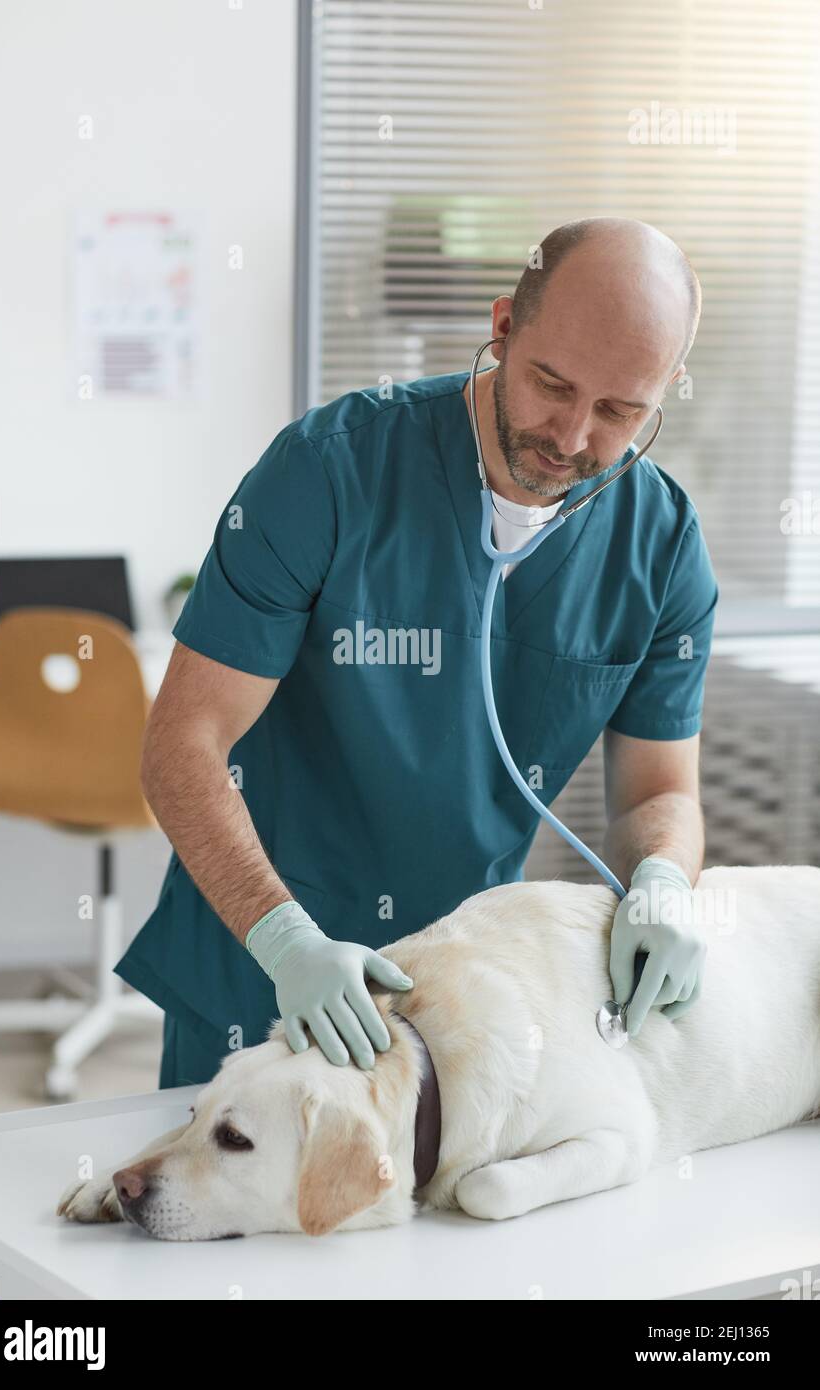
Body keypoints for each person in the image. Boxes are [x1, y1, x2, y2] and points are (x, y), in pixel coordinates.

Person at [115, 216, 718, 1087]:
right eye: (552, 383)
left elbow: (659, 791)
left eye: (622, 410)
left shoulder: (659, 545)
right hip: (261, 966)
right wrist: (287, 943)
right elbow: (182, 745)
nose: (574, 434)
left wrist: (663, 880)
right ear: (504, 325)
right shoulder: (327, 473)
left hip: (457, 989)